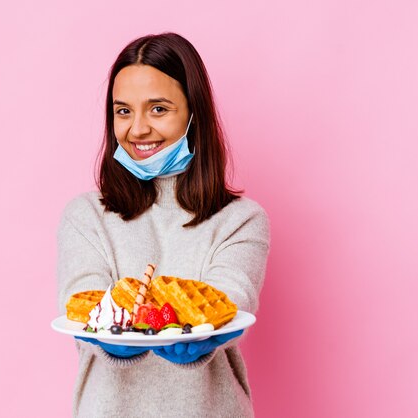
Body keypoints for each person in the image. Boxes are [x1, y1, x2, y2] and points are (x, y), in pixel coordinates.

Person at [57, 32, 270, 418]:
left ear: (194, 113)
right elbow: (81, 302)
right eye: (123, 111)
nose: (137, 129)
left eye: (158, 109)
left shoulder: (241, 220)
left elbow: (232, 296)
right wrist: (112, 342)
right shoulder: (84, 216)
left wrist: (207, 337)